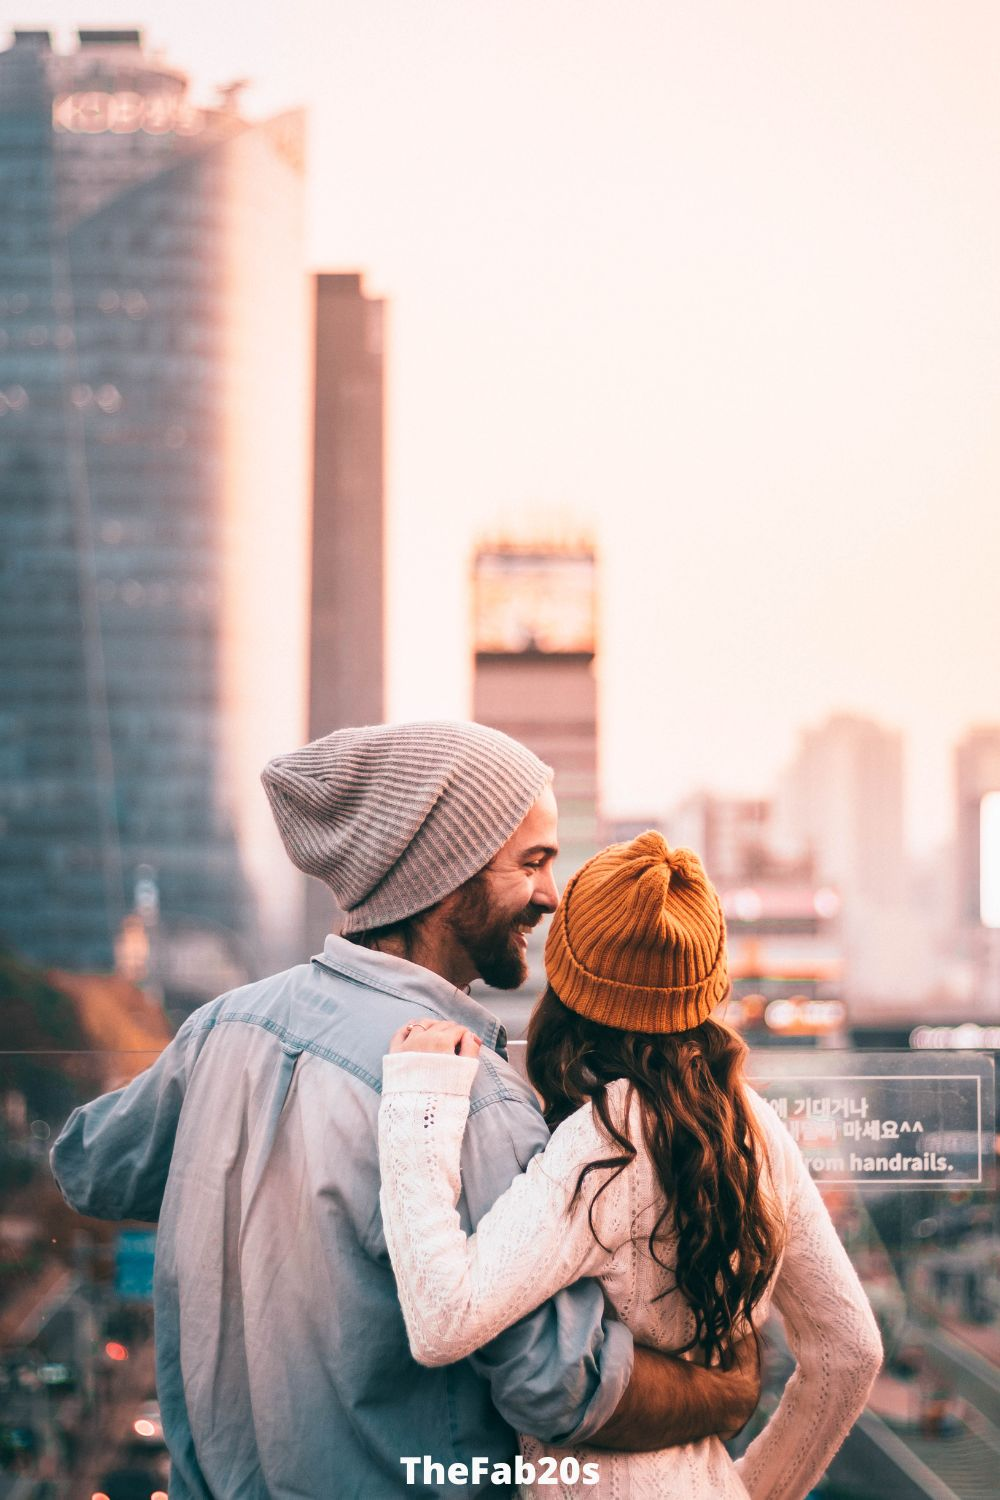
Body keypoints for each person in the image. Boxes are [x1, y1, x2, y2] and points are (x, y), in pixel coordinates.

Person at [50, 722, 759, 1500]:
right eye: (532, 863)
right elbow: (556, 1384)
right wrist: (723, 1394)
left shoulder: (223, 1030)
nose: (553, 896)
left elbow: (89, 1167)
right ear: (446, 877)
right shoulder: (472, 1101)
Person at [378, 832, 884, 1499]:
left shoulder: (605, 1141)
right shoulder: (756, 1126)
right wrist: (753, 1488)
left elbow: (443, 1319)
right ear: (709, 987)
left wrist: (418, 1097)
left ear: (569, 982)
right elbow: (852, 1353)